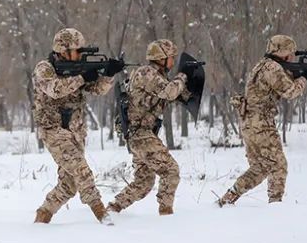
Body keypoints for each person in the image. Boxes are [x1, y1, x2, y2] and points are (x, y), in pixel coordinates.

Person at [32, 28, 117, 225]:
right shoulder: (44, 68)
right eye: (76, 51)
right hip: (53, 130)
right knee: (81, 169)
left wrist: (108, 75)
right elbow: (54, 89)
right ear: (63, 50)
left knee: (69, 185)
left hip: (75, 132)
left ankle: (43, 216)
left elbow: (97, 89)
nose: (80, 55)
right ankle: (101, 213)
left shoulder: (78, 68)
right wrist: (81, 77)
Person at [218, 34, 307, 206]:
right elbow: (290, 92)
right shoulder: (273, 68)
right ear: (283, 53)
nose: (292, 56)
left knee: (261, 168)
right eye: (290, 52)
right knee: (278, 165)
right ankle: (275, 205)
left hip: (249, 122)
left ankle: (228, 198)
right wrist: (303, 79)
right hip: (261, 123)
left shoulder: (262, 65)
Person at [107, 39, 189, 216]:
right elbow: (169, 92)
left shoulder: (156, 76)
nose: (173, 61)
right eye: (171, 58)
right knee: (171, 171)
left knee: (143, 183)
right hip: (141, 135)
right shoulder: (147, 73)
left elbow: (169, 95)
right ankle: (166, 213)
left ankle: (113, 208)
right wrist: (182, 76)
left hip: (142, 135)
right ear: (161, 58)